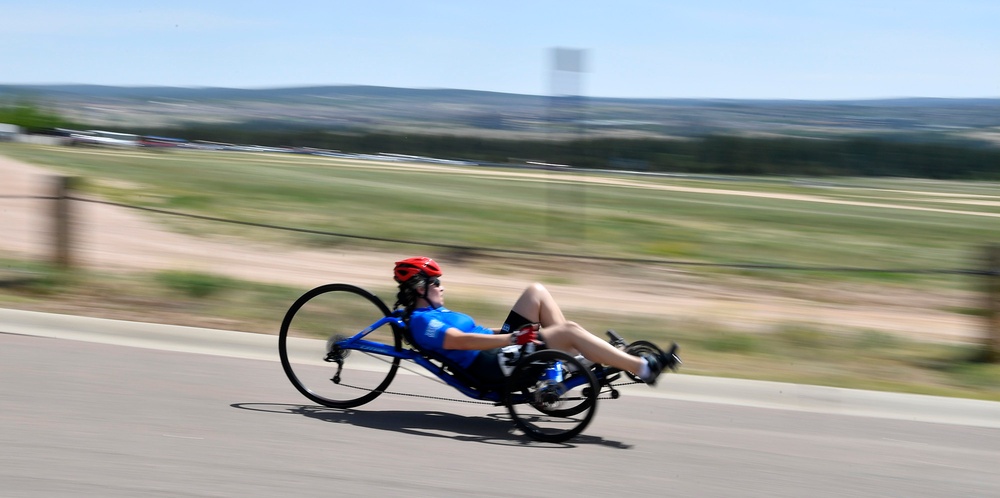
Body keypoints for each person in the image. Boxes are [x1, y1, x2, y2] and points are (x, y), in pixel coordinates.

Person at [392, 256, 678, 386]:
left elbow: (474, 332)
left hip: (499, 348)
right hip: (490, 364)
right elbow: (460, 341)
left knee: (536, 291)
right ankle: (644, 368)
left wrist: (509, 335)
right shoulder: (422, 320)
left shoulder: (437, 312)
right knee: (569, 330)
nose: (442, 287)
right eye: (437, 283)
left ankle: (568, 357)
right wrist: (513, 338)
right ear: (420, 288)